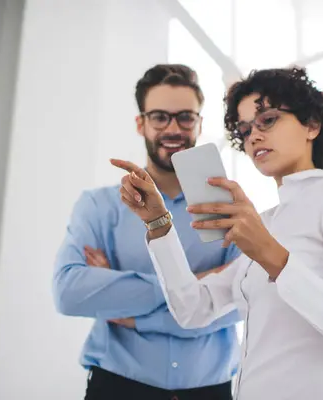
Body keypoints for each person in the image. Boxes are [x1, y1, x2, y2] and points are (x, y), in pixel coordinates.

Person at [110, 66, 323, 400]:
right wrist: (159, 223)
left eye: (268, 120)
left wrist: (272, 257)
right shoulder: (264, 222)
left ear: (312, 125)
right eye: (244, 129)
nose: (253, 136)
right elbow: (193, 309)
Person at [53, 64, 241, 400]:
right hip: (117, 388)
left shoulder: (230, 209)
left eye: (185, 117)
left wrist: (130, 312)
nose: (173, 128)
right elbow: (69, 293)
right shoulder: (98, 206)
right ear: (141, 123)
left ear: (199, 123)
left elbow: (241, 302)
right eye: (159, 117)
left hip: (210, 391)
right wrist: (195, 286)